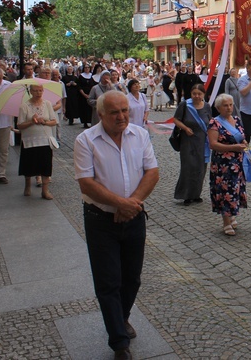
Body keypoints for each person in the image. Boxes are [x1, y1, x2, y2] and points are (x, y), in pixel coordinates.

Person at [74, 91, 159, 359]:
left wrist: (130, 203)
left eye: (125, 110)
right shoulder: (85, 140)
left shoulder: (140, 134)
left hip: (133, 216)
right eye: (115, 112)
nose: (122, 116)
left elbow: (152, 172)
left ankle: (121, 317)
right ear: (101, 115)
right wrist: (118, 204)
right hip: (100, 221)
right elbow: (86, 183)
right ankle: (119, 342)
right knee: (108, 281)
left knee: (131, 277)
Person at [208, 93, 248, 236]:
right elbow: (213, 144)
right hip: (222, 165)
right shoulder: (214, 123)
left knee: (235, 190)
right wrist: (233, 148)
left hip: (237, 163)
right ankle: (226, 222)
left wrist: (243, 144)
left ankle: (232, 215)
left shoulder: (236, 120)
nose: (229, 108)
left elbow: (241, 137)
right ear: (218, 108)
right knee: (225, 192)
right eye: (225, 105)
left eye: (230, 104)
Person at [172, 83, 211, 206]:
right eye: (194, 94)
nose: (196, 96)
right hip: (187, 141)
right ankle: (186, 195)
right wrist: (185, 128)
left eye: (199, 94)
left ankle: (196, 194)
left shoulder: (207, 106)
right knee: (188, 167)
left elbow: (211, 122)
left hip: (202, 141)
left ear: (203, 94)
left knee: (200, 168)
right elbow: (176, 119)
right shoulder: (185, 105)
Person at [16, 83, 56, 199]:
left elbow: (54, 121)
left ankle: (45, 190)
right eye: (36, 91)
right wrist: (31, 122)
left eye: (40, 90)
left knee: (46, 165)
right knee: (29, 164)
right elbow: (20, 125)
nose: (38, 93)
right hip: (29, 140)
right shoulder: (24, 106)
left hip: (45, 139)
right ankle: (27, 185)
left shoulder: (47, 104)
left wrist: (45, 122)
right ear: (31, 92)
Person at [77, 64, 96, 128]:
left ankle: (91, 121)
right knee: (84, 109)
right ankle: (85, 122)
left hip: (91, 94)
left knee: (91, 109)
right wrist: (84, 94)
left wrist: (91, 94)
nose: (87, 69)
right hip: (83, 95)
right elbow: (79, 87)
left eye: (88, 67)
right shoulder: (81, 76)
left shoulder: (92, 76)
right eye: (85, 67)